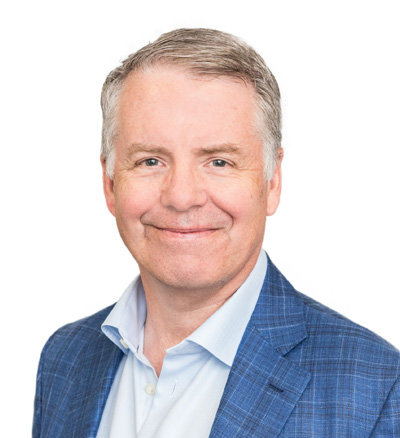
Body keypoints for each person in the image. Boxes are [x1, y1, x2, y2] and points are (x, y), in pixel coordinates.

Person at [33, 28, 400, 437]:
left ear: (272, 181)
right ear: (110, 183)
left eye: (219, 162)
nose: (182, 197)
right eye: (150, 161)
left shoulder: (377, 388)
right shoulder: (65, 358)